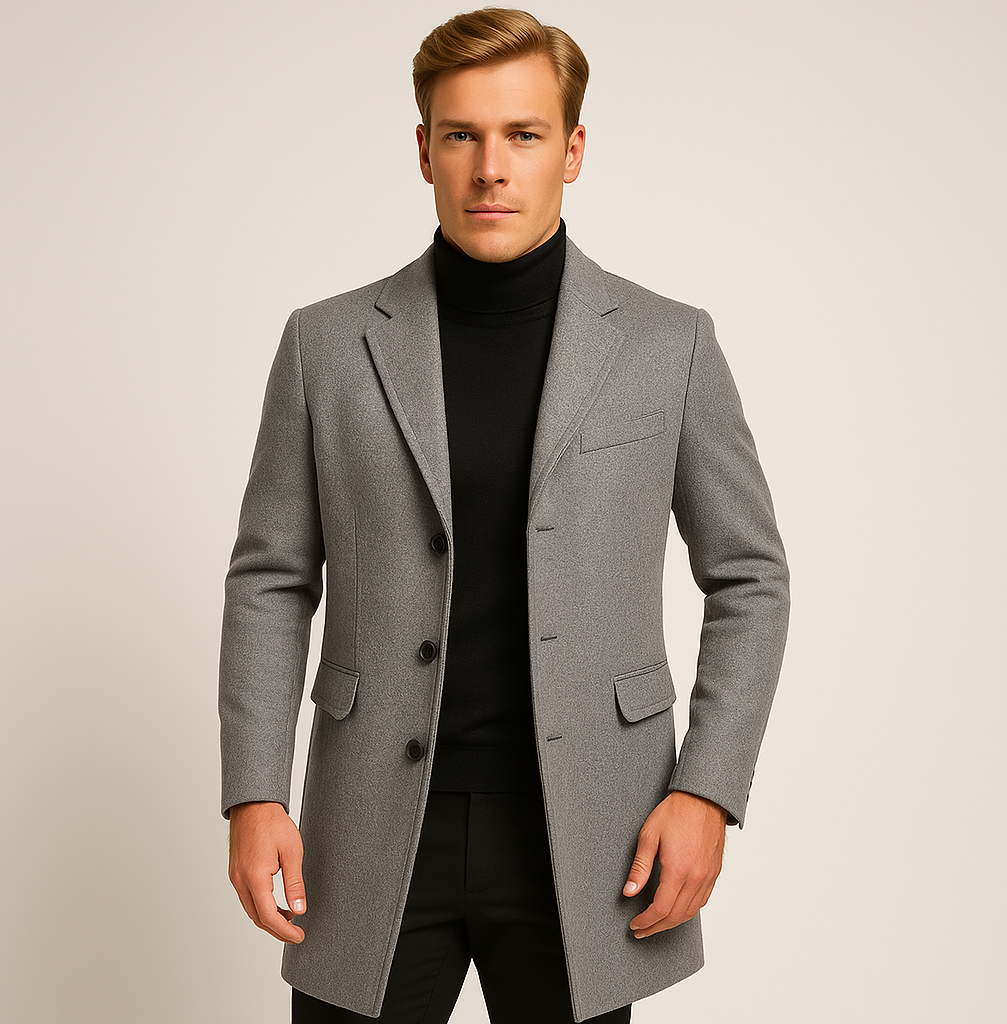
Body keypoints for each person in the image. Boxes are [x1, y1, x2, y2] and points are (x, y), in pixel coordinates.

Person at [219, 8, 790, 1023]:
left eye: (523, 134)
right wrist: (254, 791)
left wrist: (707, 789)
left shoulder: (668, 345)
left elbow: (750, 576)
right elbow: (270, 577)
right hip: (372, 826)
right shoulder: (326, 345)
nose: (491, 168)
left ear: (572, 151)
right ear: (423, 151)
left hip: (591, 830)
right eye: (462, 135)